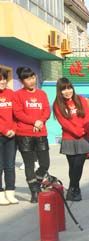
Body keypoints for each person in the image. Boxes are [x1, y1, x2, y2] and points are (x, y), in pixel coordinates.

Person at [12, 67, 51, 203]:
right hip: (24, 134)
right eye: (28, 78)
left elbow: (47, 110)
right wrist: (34, 121)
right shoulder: (18, 95)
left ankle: (37, 182)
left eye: (33, 77)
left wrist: (41, 121)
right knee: (29, 164)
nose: (31, 81)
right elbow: (18, 113)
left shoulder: (42, 94)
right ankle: (34, 191)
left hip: (41, 133)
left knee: (45, 163)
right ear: (22, 81)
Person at [53, 77, 89, 201]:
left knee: (79, 165)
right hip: (69, 138)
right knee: (72, 166)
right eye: (63, 89)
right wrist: (77, 131)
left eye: (69, 88)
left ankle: (73, 188)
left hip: (84, 137)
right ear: (59, 91)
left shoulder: (80, 99)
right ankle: (75, 189)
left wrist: (82, 130)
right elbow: (64, 122)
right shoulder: (57, 104)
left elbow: (88, 116)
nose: (67, 91)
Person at [0, 68, 19, 205]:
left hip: (11, 136)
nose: (2, 81)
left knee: (10, 165)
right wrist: (4, 130)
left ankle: (10, 192)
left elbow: (17, 114)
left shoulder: (12, 94)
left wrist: (13, 129)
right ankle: (0, 193)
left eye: (4, 78)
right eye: (0, 79)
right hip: (1, 134)